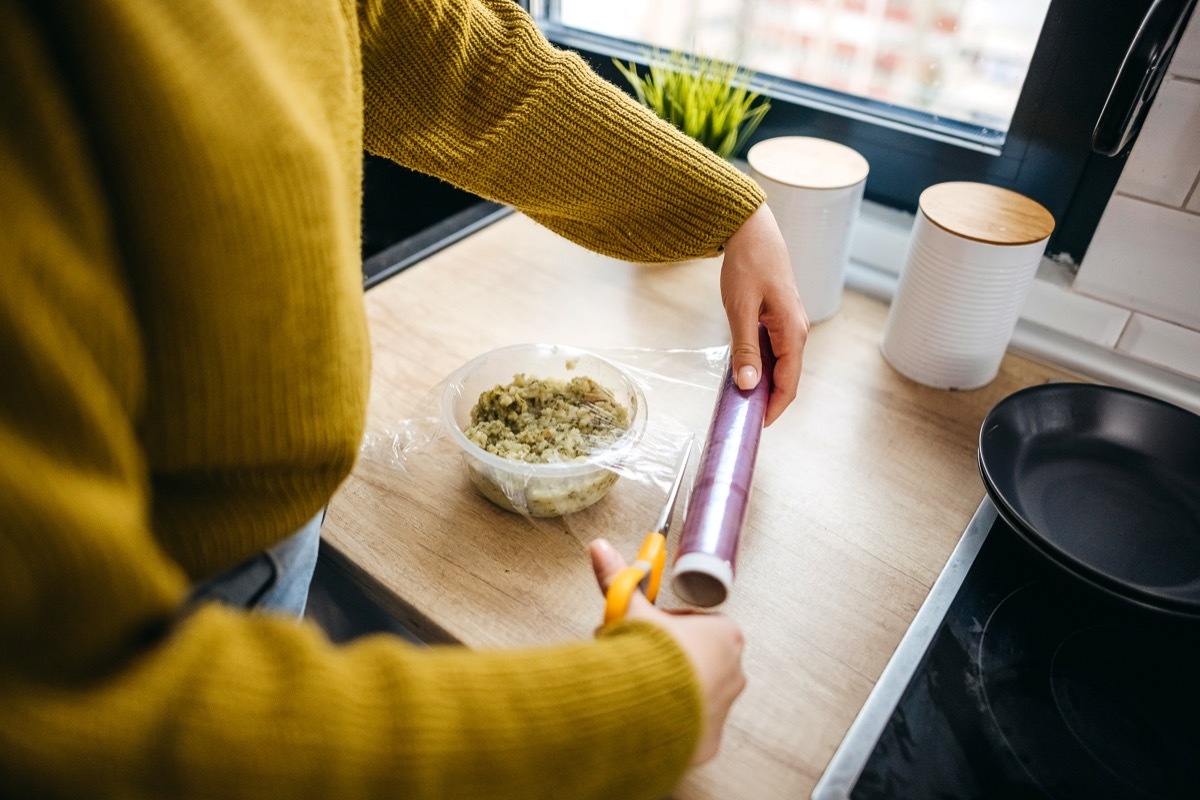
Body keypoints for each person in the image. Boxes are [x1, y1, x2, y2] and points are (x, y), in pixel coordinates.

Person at [0, 0, 808, 797]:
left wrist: (724, 210)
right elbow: (74, 708)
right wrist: (631, 713)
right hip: (175, 598)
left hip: (275, 544)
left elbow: (456, 64)